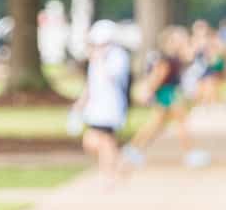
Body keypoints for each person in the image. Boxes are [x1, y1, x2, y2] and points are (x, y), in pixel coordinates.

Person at [126, 26, 204, 168]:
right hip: (168, 93)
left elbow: (191, 56)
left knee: (157, 124)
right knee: (181, 122)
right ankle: (190, 153)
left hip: (170, 92)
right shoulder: (166, 58)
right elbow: (158, 76)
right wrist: (148, 90)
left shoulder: (174, 56)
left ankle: (133, 149)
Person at [77, 19, 133, 183]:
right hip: (96, 106)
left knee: (105, 140)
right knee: (93, 142)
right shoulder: (96, 58)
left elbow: (113, 77)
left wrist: (100, 58)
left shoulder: (117, 56)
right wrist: (83, 100)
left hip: (110, 105)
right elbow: (92, 82)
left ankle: (109, 173)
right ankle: (116, 167)